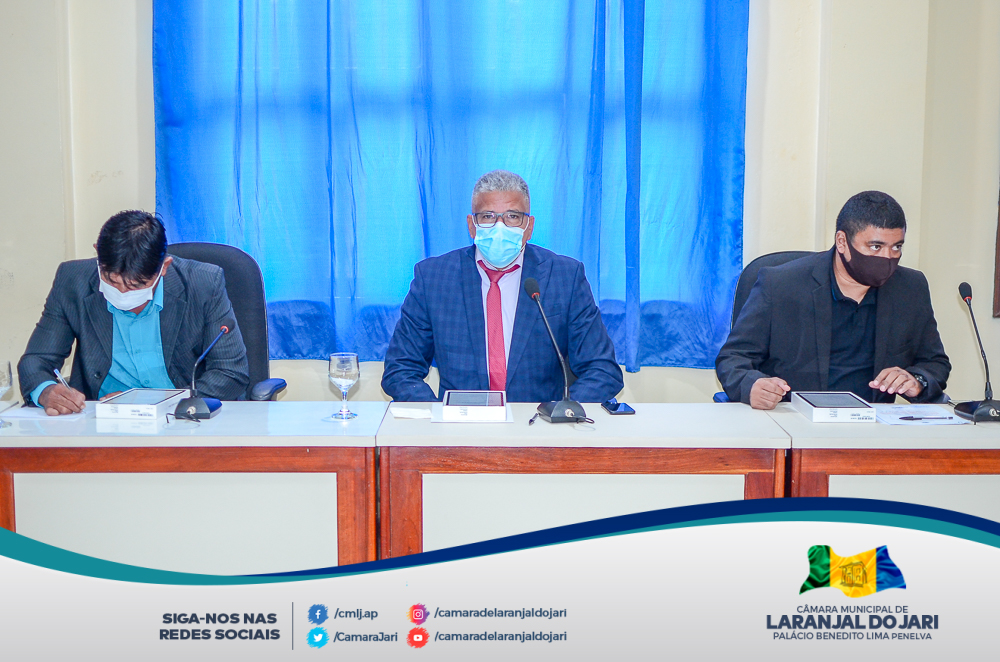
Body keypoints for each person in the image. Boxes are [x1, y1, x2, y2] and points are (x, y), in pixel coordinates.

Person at [382, 170, 623, 402]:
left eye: (512, 216)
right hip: (460, 423)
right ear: (471, 225)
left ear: (529, 226)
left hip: (539, 423)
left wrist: (561, 414)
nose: (500, 227)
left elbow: (602, 370)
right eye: (488, 216)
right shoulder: (434, 278)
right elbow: (400, 369)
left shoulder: (565, 277)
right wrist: (440, 416)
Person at [715, 190, 950, 410]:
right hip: (795, 420)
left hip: (874, 424)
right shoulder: (780, 285)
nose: (887, 257)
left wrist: (917, 380)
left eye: (896, 247)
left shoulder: (910, 288)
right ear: (842, 242)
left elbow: (935, 362)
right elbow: (732, 358)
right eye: (875, 246)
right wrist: (751, 386)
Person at [18, 210, 249, 415]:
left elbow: (230, 372)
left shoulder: (204, 283)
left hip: (182, 419)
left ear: (164, 267)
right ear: (98, 254)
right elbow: (36, 360)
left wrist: (153, 403)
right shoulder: (73, 280)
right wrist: (45, 391)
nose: (122, 292)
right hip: (102, 422)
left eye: (136, 285)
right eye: (112, 281)